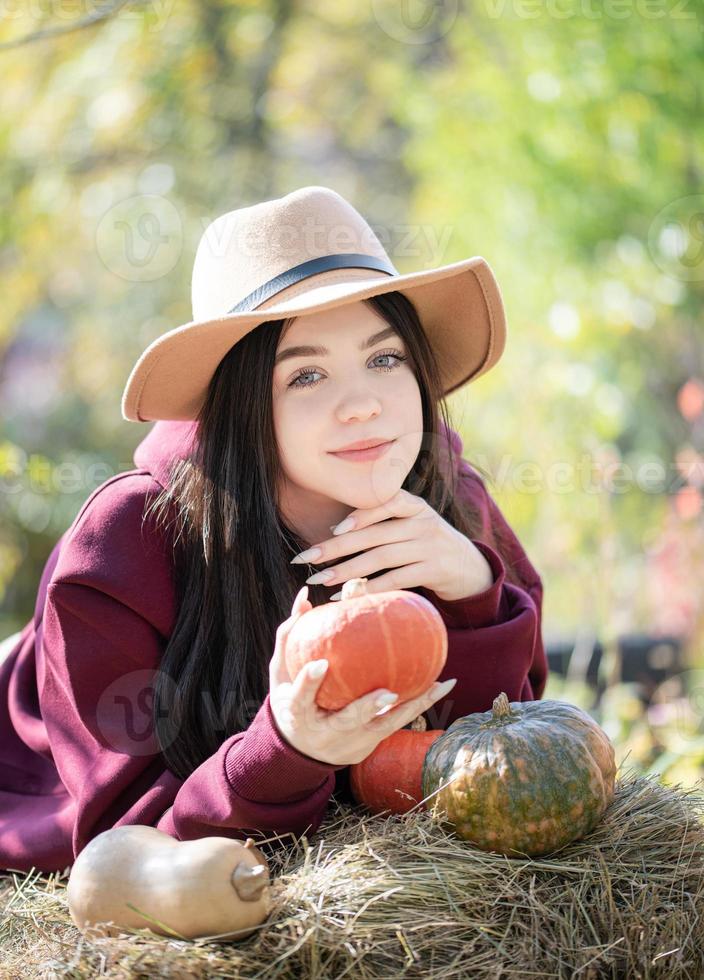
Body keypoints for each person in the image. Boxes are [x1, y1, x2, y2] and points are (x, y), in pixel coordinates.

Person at [0, 186, 547, 875]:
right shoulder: (127, 544)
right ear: (243, 402)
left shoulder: (449, 494)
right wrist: (285, 749)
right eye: (307, 375)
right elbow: (126, 845)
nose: (361, 407)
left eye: (386, 359)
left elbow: (510, 760)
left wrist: (473, 596)